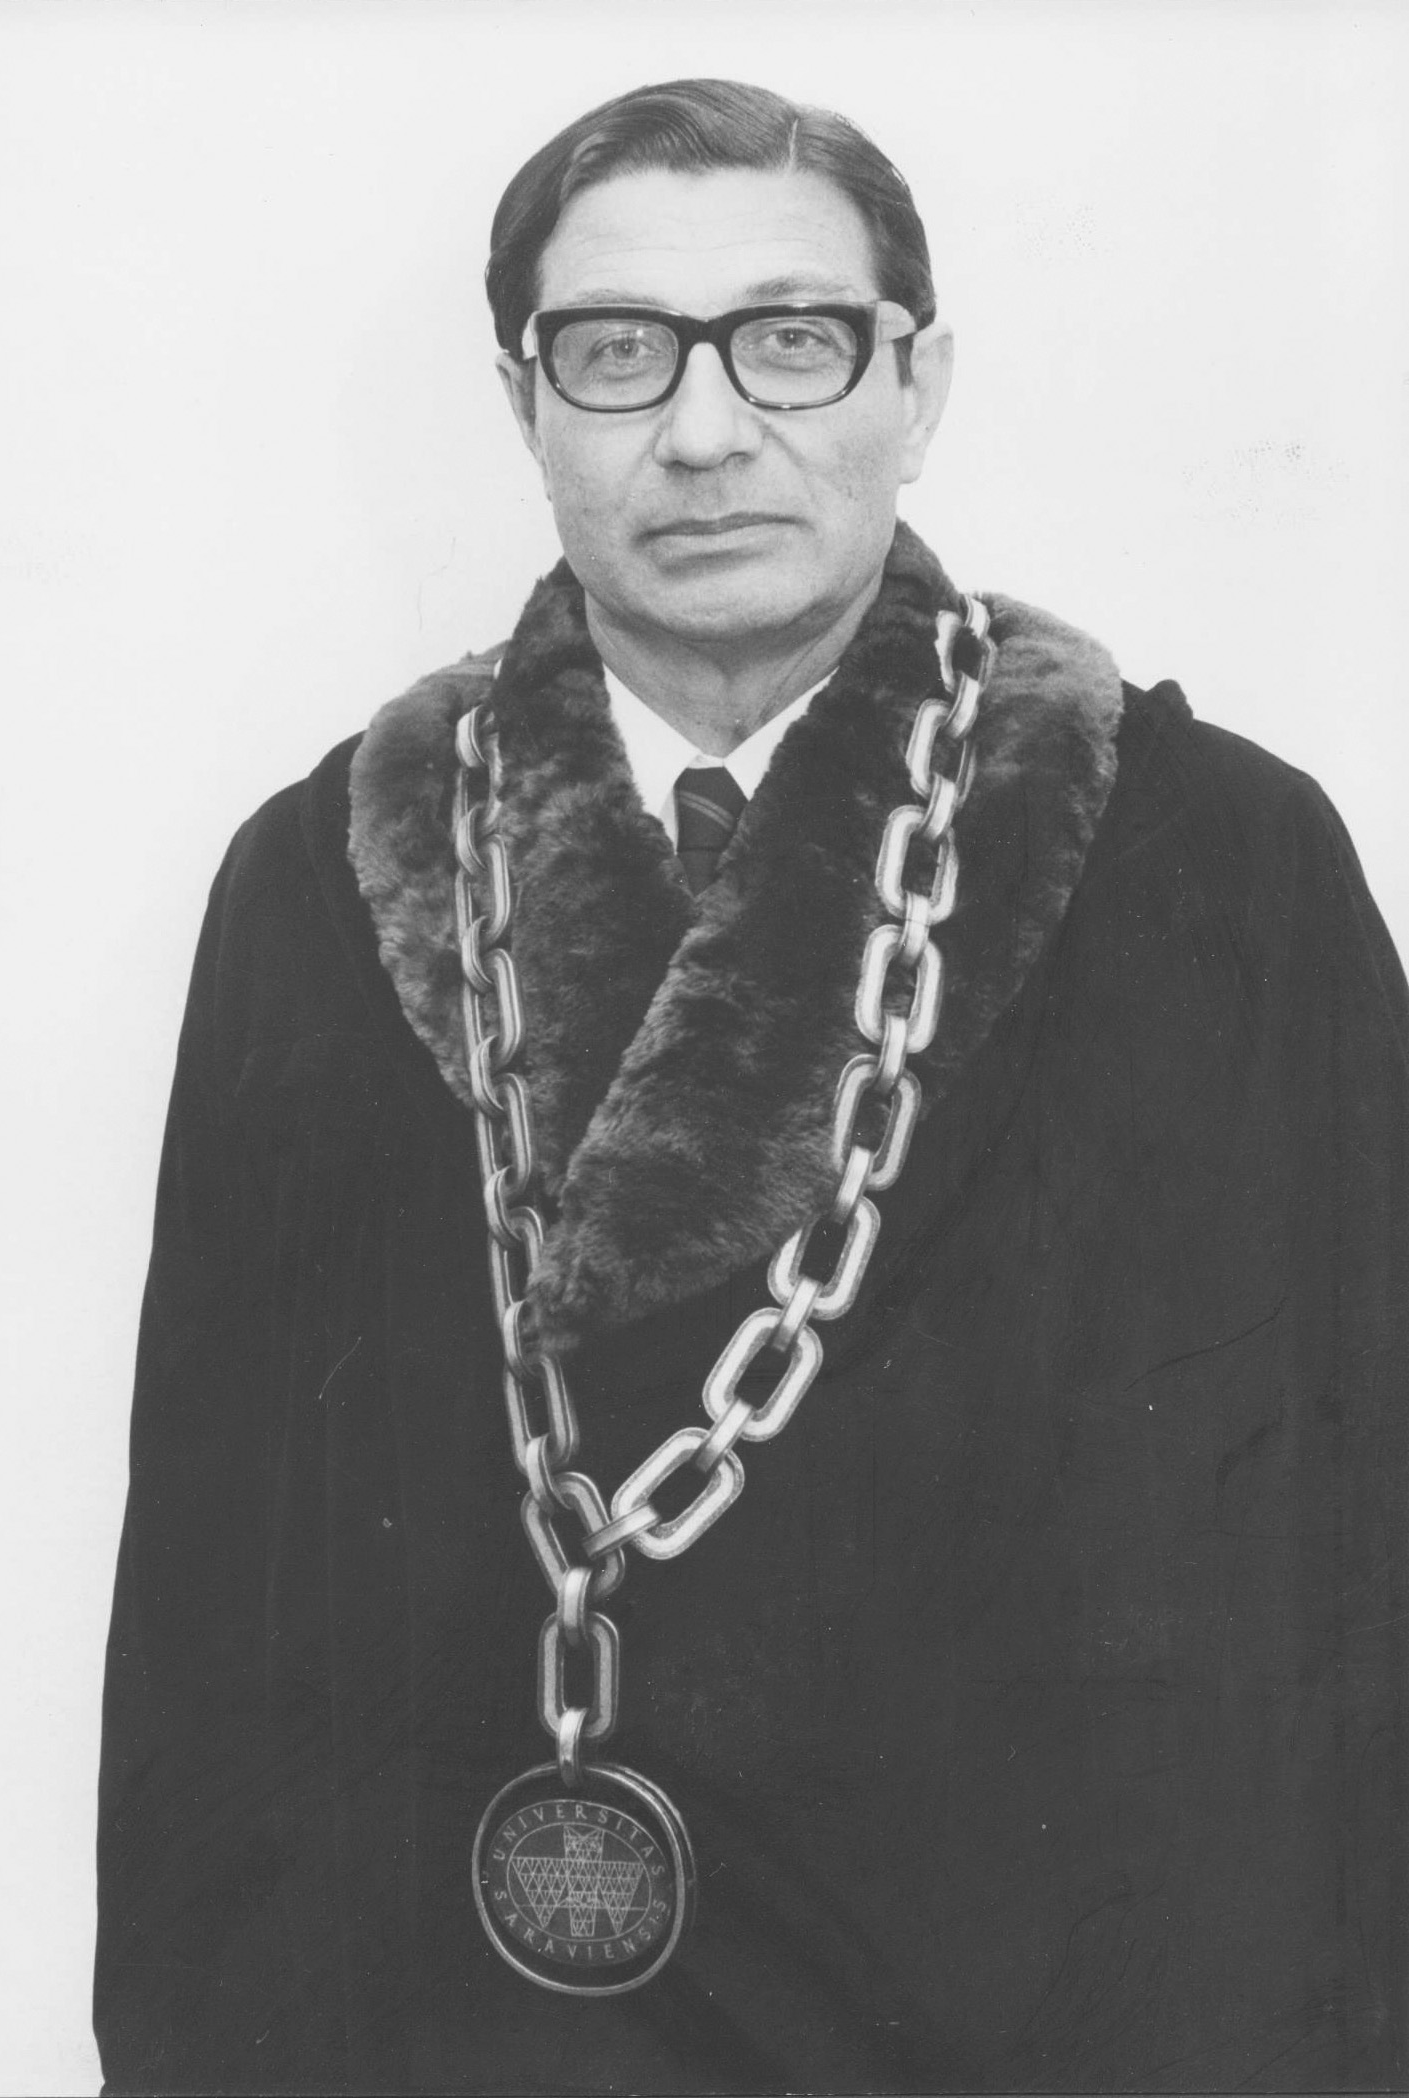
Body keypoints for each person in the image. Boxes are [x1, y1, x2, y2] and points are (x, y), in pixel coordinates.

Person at [94, 77, 1407, 2096]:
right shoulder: (320, 878)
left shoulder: (1216, 862)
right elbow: (210, 1606)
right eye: (618, 353)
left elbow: (1359, 1563)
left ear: (915, 383)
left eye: (791, 340)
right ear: (526, 405)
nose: (705, 432)